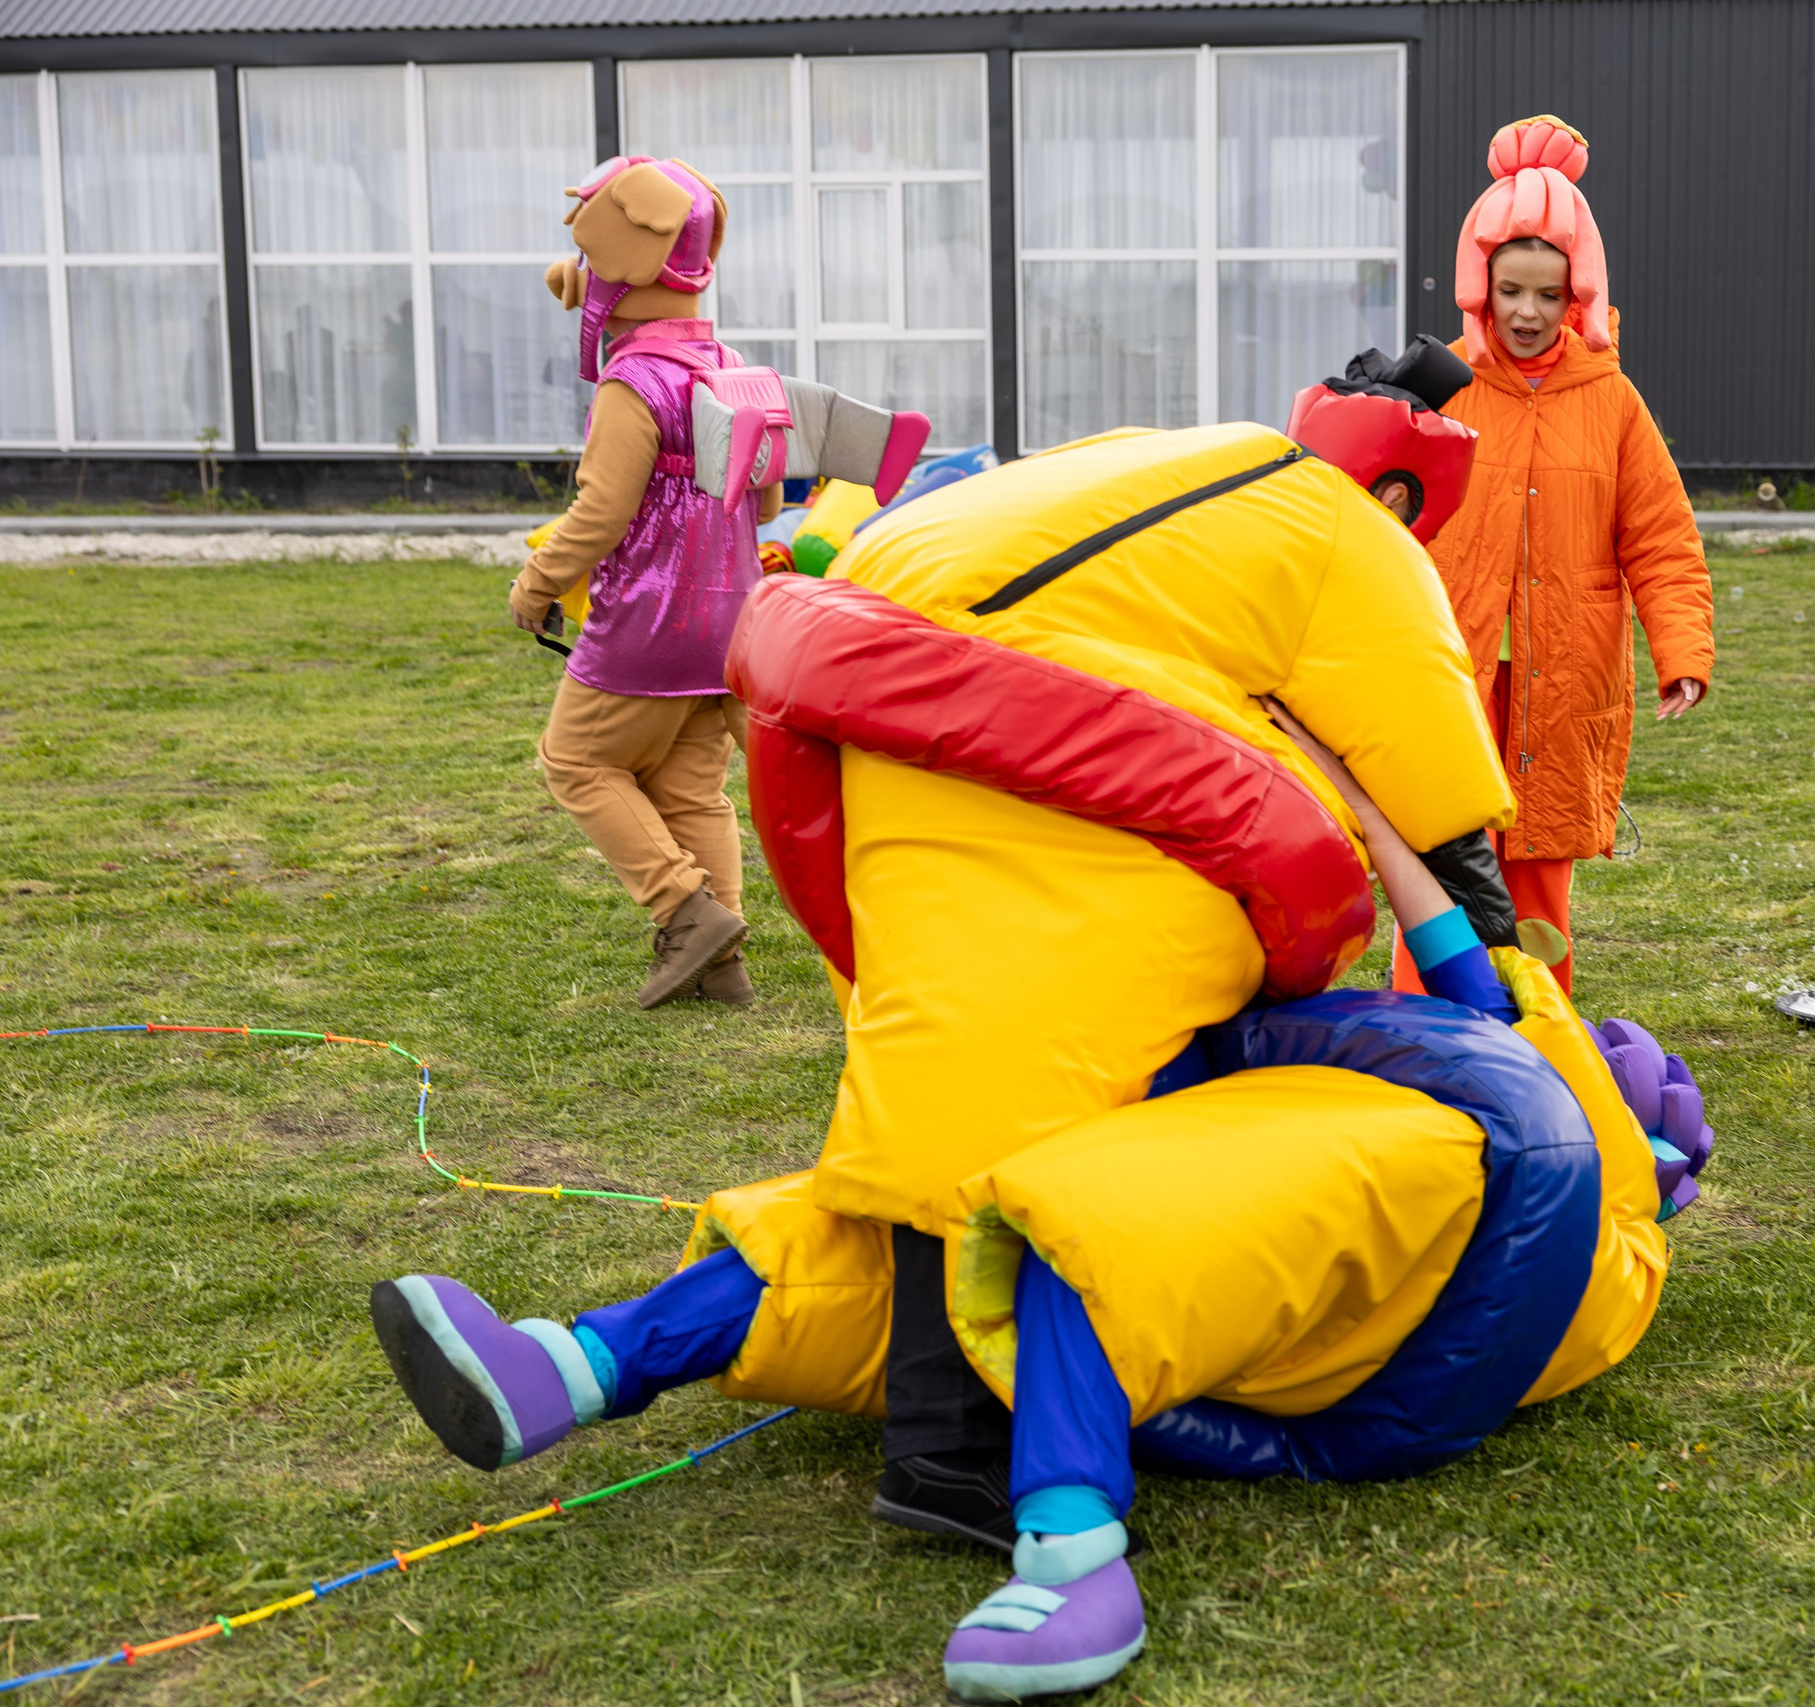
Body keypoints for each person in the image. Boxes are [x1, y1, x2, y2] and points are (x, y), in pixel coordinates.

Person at [365, 694, 1707, 1700]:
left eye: (1633, 1059)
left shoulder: (1578, 1159)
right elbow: (1444, 929)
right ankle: (569, 1366)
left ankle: (1072, 1562)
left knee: (1085, 1213)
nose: (1621, 1040)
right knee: (899, 1208)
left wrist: (1359, 810)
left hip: (1422, 1224)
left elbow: (1464, 979)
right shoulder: (1522, 1071)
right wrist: (1338, 790)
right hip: (1309, 1266)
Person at [505, 156, 923, 1011]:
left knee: (575, 760)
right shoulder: (731, 368)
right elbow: (766, 498)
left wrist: (537, 580)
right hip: (730, 618)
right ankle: (721, 965)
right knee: (690, 789)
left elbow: (602, 511)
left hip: (647, 620)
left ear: (626, 263)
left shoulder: (632, 383)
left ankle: (684, 910)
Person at [1397, 115, 1717, 995]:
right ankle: (1426, 1030)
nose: (1528, 313)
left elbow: (1661, 538)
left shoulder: (1612, 401)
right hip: (1452, 674)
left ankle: (1539, 1035)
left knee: (1536, 874)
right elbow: (1376, 516)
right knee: (1440, 864)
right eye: (1510, 291)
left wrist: (1683, 652)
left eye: (1549, 293)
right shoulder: (1437, 390)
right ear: (1480, 286)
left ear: (1579, 292)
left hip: (1564, 678)